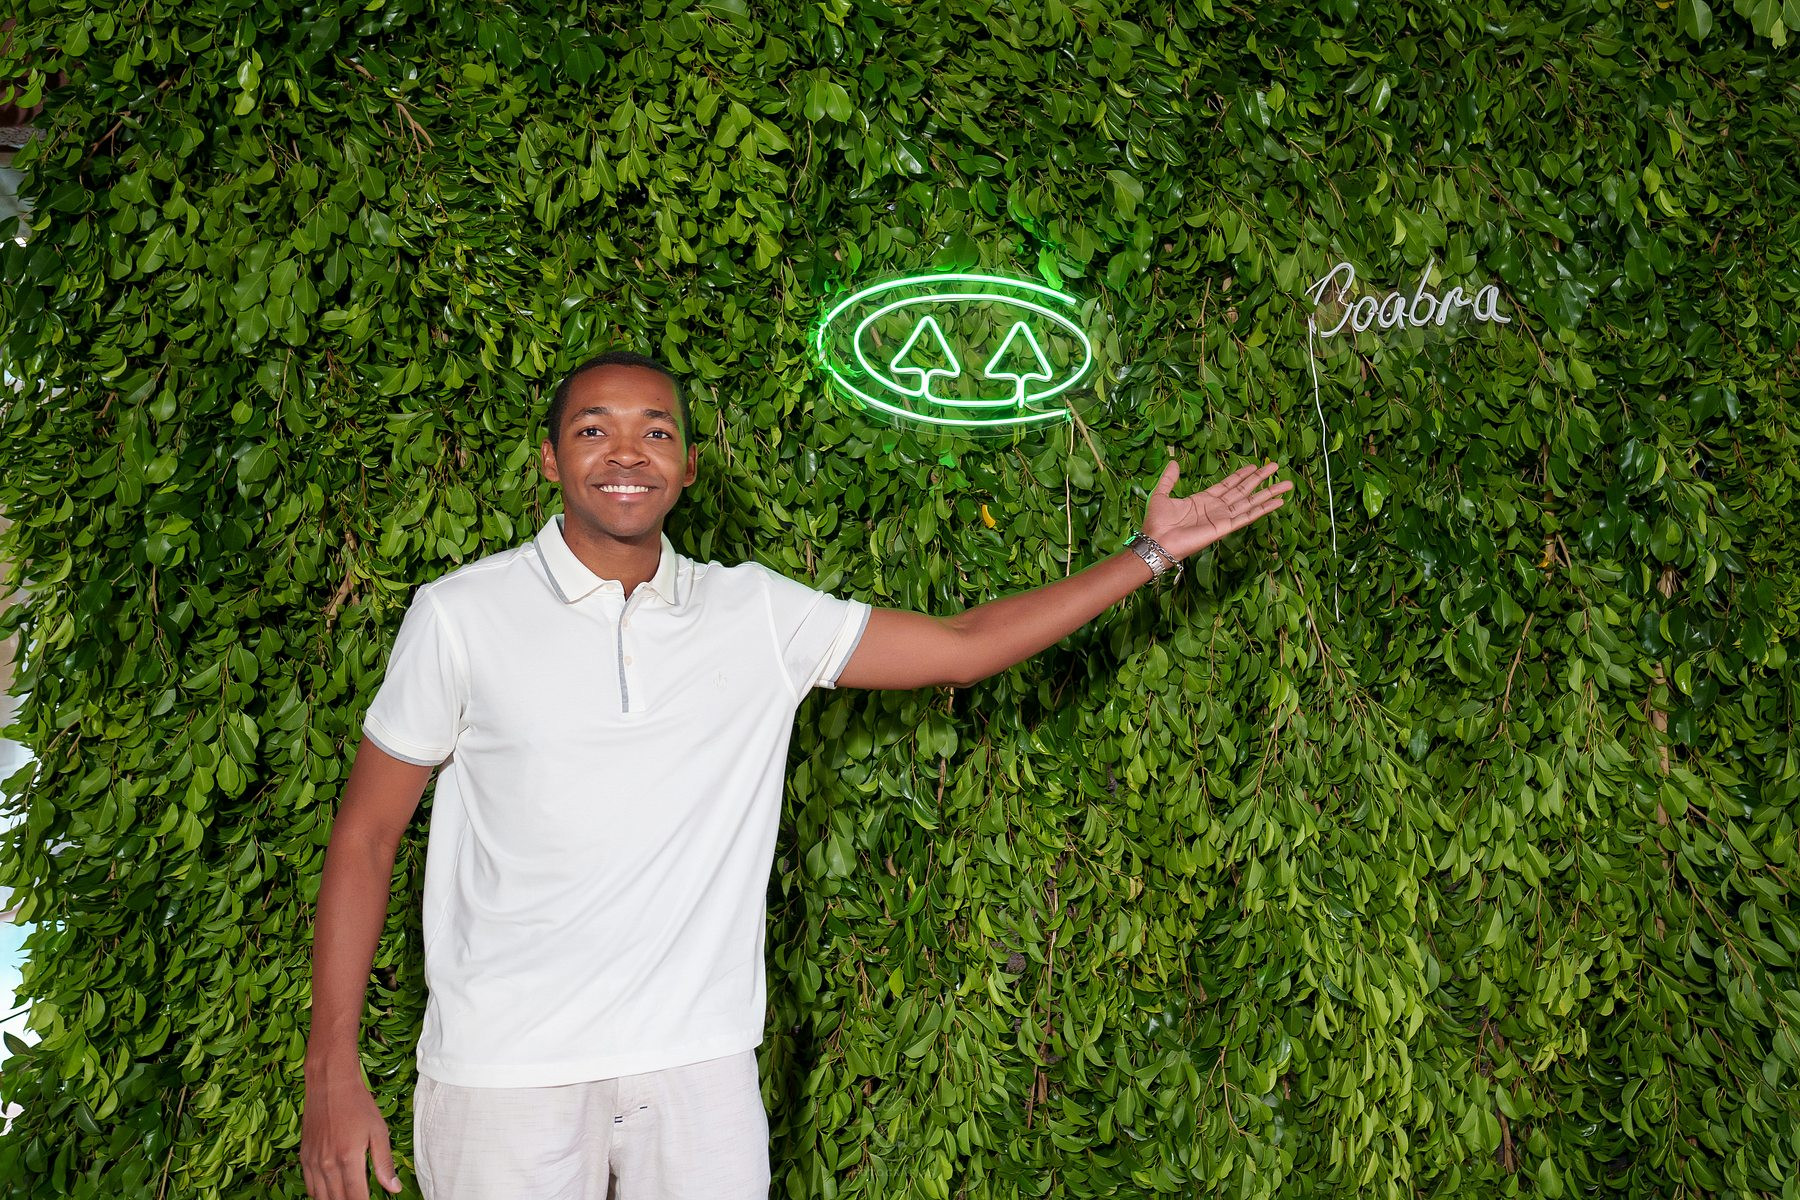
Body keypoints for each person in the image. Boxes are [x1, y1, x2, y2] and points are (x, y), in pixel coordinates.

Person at [299, 350, 1291, 1200]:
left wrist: (1150, 553)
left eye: (655, 432)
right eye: (594, 430)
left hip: (698, 1072)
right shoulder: (461, 615)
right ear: (552, 458)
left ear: (687, 465)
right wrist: (329, 1068)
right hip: (504, 1078)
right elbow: (366, 837)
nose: (627, 454)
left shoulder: (755, 615)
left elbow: (962, 646)